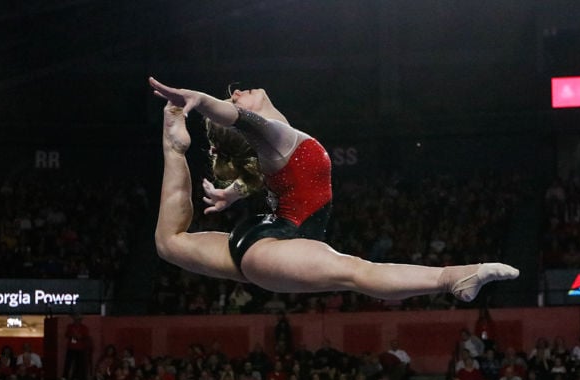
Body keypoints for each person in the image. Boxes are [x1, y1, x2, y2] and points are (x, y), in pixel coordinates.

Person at [147, 80, 518, 306]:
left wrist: (236, 193)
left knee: (169, 242)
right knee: (355, 271)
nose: (238, 92)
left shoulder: (277, 146)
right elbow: (239, 119)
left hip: (266, 240)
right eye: (234, 97)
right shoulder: (276, 135)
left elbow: (276, 176)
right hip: (277, 242)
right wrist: (200, 99)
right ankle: (452, 277)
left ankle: (173, 146)